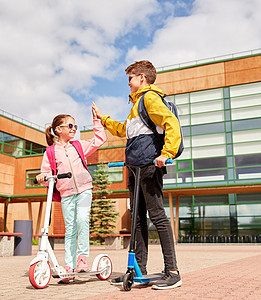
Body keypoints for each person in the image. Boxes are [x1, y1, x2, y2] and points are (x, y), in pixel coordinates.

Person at [92, 60, 182, 290]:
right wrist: (104, 119)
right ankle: (137, 269)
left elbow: (170, 122)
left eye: (130, 78)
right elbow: (124, 130)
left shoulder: (150, 98)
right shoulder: (136, 105)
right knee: (138, 219)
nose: (128, 83)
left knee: (157, 215)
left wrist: (167, 153)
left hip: (149, 165)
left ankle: (172, 271)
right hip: (134, 167)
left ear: (141, 77)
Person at [35, 105, 107, 284]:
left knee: (82, 220)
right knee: (70, 229)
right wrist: (42, 176)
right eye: (70, 126)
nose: (74, 129)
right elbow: (46, 174)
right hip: (66, 194)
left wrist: (96, 120)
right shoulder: (50, 152)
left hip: (84, 190)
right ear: (58, 130)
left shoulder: (78, 146)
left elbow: (99, 139)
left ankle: (82, 259)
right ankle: (69, 266)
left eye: (75, 126)